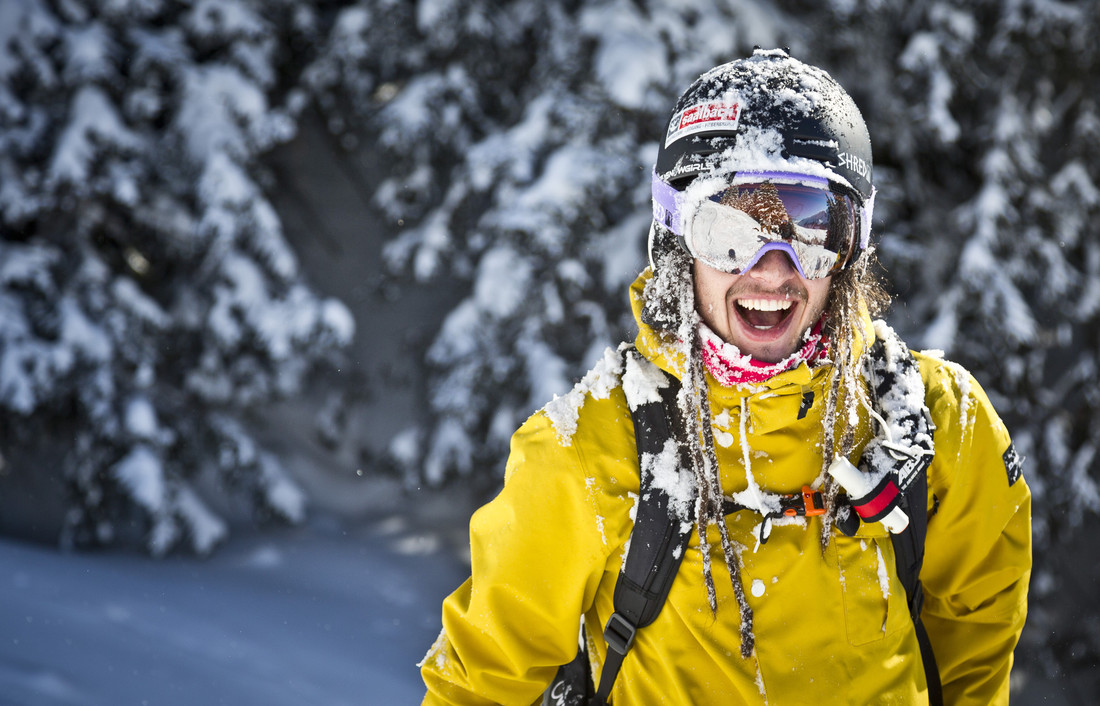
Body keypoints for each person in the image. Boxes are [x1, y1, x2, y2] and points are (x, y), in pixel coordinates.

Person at [420, 48, 1031, 705]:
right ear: (677, 239)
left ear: (852, 246)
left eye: (810, 225)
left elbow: (976, 642)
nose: (772, 269)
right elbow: (479, 680)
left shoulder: (936, 425)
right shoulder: (589, 450)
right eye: (727, 230)